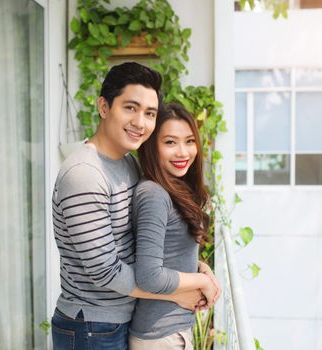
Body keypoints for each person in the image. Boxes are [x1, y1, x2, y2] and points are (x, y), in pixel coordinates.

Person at [50, 63, 205, 350]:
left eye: (149, 113)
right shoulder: (85, 174)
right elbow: (106, 272)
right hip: (90, 328)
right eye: (130, 108)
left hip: (116, 322)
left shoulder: (127, 163)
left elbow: (141, 246)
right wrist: (175, 292)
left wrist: (191, 268)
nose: (140, 122)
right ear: (104, 106)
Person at [129, 103, 221, 350]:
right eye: (170, 142)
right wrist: (201, 282)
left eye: (189, 141)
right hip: (161, 337)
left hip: (173, 332)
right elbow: (149, 275)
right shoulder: (153, 194)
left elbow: (168, 251)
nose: (183, 152)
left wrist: (202, 268)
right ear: (152, 146)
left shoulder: (174, 188)